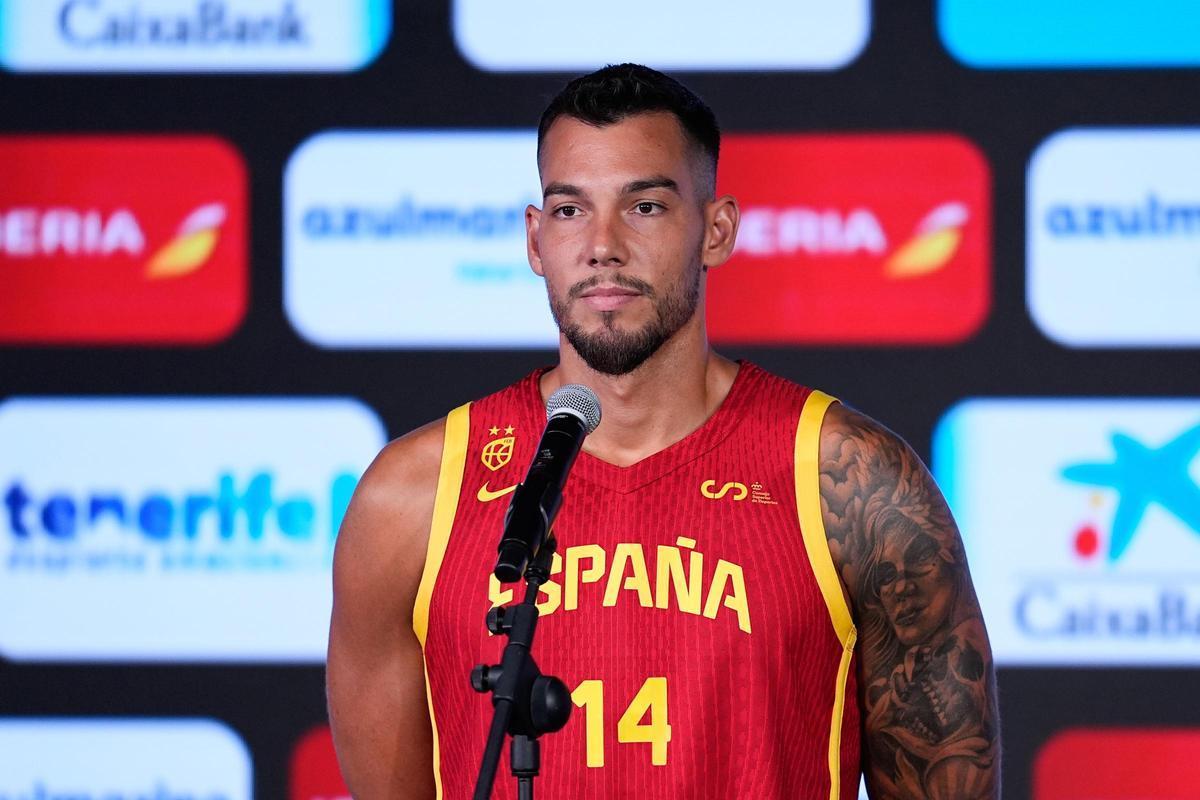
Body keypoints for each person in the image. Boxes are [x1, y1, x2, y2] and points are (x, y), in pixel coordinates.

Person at [326, 63, 1000, 799]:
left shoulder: (853, 485)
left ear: (717, 230)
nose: (603, 245)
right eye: (570, 210)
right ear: (535, 240)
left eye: (644, 207)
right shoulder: (412, 497)